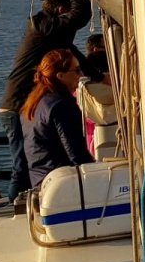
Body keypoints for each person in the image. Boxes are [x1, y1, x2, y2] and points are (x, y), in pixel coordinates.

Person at [0, 0, 91, 199]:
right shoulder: (44, 27)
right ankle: (18, 209)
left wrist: (98, 77)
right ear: (60, 10)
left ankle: (23, 205)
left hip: (20, 103)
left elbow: (71, 52)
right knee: (21, 167)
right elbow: (80, 16)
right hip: (17, 105)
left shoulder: (46, 29)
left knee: (26, 164)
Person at [21, 49, 94, 188]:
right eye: (77, 70)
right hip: (63, 183)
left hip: (41, 180)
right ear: (61, 76)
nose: (81, 75)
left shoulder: (34, 104)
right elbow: (76, 154)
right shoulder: (61, 105)